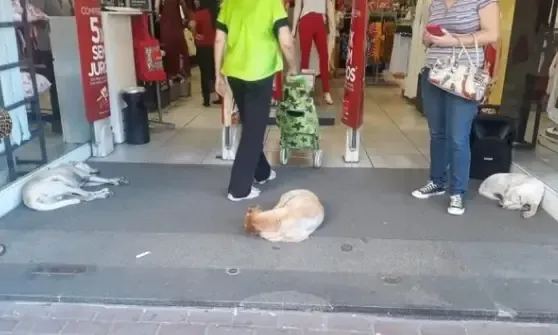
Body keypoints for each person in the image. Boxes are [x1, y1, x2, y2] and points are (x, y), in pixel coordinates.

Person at [411, 0, 500, 216]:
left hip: (463, 77)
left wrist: (454, 40)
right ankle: (437, 181)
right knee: (437, 133)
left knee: (458, 138)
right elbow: (429, 40)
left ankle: (457, 192)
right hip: (434, 74)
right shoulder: (436, 3)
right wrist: (429, 38)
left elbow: (492, 35)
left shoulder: (482, 1)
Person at [214, 0, 297, 201]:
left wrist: (217, 75)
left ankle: (262, 172)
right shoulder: (271, 3)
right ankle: (238, 188)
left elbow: (219, 39)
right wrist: (293, 67)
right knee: (254, 131)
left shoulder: (229, 4)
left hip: (235, 72)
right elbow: (286, 40)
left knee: (250, 124)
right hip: (260, 73)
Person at [193, 0, 220, 106]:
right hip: (218, 47)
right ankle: (221, 98)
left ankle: (206, 100)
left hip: (204, 47)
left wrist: (195, 34)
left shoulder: (200, 13)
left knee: (205, 74)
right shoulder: (220, 12)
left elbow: (192, 25)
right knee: (218, 72)